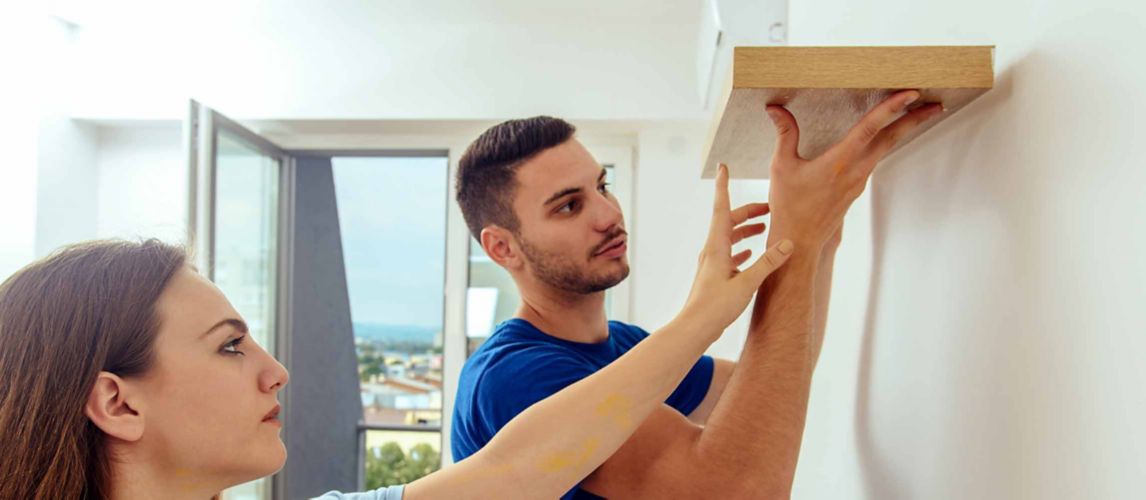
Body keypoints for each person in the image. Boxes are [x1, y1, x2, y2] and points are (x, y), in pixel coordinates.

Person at [0, 170, 792, 499]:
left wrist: (713, 309)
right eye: (230, 345)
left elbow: (517, 470)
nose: (276, 372)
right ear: (116, 401)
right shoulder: (514, 367)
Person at [451, 90, 943, 498]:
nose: (607, 214)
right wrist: (799, 235)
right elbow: (732, 491)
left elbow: (775, 381)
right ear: (502, 247)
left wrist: (816, 237)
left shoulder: (624, 348)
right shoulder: (514, 377)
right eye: (569, 206)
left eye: (603, 185)